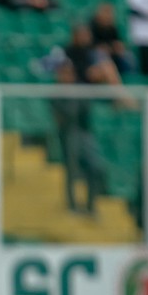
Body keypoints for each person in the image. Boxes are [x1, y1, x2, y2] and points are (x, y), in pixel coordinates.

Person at [51, 61, 106, 215]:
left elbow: (86, 110)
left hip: (85, 132)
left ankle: (90, 206)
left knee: (95, 167)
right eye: (64, 73)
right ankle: (72, 205)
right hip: (68, 133)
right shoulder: (56, 93)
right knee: (72, 170)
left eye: (69, 73)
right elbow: (60, 117)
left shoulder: (81, 89)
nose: (67, 76)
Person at [89, 2, 132, 75]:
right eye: (106, 13)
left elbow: (117, 41)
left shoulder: (112, 28)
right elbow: (89, 44)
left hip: (112, 52)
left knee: (128, 56)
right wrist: (101, 47)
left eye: (110, 13)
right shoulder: (92, 26)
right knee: (101, 55)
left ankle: (131, 77)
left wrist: (118, 47)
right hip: (97, 54)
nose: (108, 16)